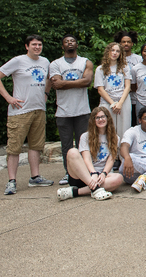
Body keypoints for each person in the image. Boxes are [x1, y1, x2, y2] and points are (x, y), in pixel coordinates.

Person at [0, 34, 53, 195]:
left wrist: (46, 94)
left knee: (36, 145)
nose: (37, 47)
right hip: (20, 111)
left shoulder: (45, 61)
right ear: (27, 46)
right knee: (14, 147)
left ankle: (35, 176)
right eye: (34, 44)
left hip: (39, 109)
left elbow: (49, 79)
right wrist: (8, 98)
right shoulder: (18, 61)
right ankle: (12, 181)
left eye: (39, 44)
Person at [49, 34, 93, 185]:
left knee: (84, 144)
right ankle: (69, 174)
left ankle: (85, 172)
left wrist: (64, 83)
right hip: (63, 111)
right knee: (66, 145)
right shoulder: (55, 64)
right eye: (66, 42)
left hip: (82, 110)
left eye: (72, 41)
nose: (69, 43)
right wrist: (78, 82)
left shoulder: (85, 62)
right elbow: (56, 84)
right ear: (62, 46)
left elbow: (87, 82)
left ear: (77, 45)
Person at [57, 107, 124, 201]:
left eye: (103, 117)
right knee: (72, 152)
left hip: (102, 178)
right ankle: (96, 189)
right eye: (97, 118)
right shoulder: (85, 136)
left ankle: (75, 192)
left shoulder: (115, 138)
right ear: (93, 120)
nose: (101, 119)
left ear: (108, 118)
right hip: (85, 175)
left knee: (119, 178)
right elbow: (86, 158)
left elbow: (111, 159)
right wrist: (93, 173)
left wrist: (104, 173)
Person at [94, 42, 132, 142]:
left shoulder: (125, 67)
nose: (115, 53)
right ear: (108, 52)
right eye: (112, 50)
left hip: (123, 101)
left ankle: (122, 155)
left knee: (124, 128)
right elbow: (100, 89)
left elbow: (127, 87)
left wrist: (120, 103)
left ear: (121, 54)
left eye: (117, 51)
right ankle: (110, 154)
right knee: (108, 128)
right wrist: (113, 103)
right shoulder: (100, 69)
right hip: (107, 101)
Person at [114, 30, 142, 126]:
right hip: (118, 98)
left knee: (135, 124)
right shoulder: (114, 59)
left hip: (135, 98)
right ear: (119, 43)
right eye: (123, 42)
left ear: (132, 44)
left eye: (128, 42)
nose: (126, 44)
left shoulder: (139, 59)